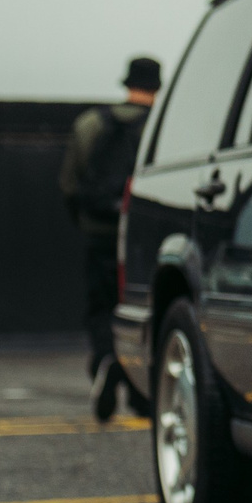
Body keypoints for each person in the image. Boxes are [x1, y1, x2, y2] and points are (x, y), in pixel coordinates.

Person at [60, 56, 159, 421]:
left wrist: (86, 222)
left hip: (100, 231)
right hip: (145, 237)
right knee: (142, 308)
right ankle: (141, 391)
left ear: (126, 83)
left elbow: (69, 184)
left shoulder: (90, 123)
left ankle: (106, 359)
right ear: (158, 87)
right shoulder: (162, 126)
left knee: (101, 306)